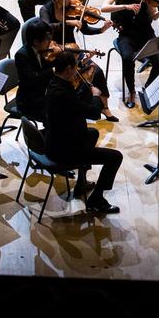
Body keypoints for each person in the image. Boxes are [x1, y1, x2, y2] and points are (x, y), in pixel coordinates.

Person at [44, 51, 123, 215]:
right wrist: (95, 95)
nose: (77, 69)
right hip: (65, 150)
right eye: (75, 66)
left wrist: (85, 87)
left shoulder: (55, 82)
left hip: (55, 139)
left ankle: (81, 182)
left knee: (93, 132)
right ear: (68, 69)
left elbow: (75, 103)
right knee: (115, 157)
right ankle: (97, 200)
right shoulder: (63, 94)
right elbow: (94, 113)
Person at [35, 0, 118, 121]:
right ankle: (77, 106)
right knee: (73, 75)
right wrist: (67, 22)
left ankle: (104, 107)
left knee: (96, 70)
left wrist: (101, 30)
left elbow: (84, 29)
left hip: (72, 49)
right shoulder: (46, 9)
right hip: (53, 51)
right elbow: (46, 27)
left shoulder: (72, 8)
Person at [101, 0, 159, 108]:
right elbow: (104, 8)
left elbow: (154, 16)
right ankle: (131, 91)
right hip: (126, 34)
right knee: (127, 58)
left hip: (145, 32)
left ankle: (148, 87)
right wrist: (125, 6)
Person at [13, 17, 56, 124]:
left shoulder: (43, 49)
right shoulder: (22, 55)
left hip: (44, 92)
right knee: (57, 115)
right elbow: (32, 80)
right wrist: (53, 70)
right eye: (48, 40)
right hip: (29, 101)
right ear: (36, 42)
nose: (50, 42)